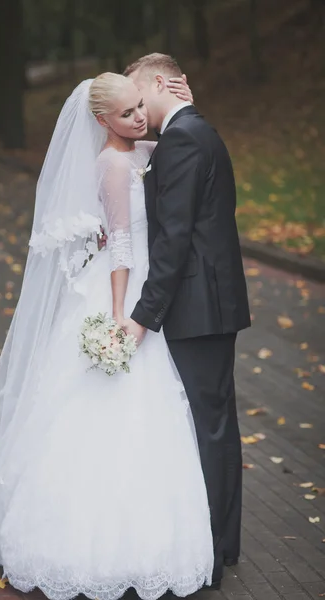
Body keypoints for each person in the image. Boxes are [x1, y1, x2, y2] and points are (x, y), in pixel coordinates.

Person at [0, 73, 214, 600]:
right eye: (126, 112)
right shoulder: (110, 163)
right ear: (101, 120)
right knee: (106, 406)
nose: (137, 117)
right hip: (121, 286)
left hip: (146, 282)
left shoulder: (142, 146)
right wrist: (117, 316)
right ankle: (78, 545)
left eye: (138, 108)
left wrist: (181, 103)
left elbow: (174, 136)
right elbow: (122, 244)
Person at [119, 54, 251, 588]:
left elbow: (173, 239)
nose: (135, 107)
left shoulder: (185, 138)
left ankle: (214, 554)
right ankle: (225, 544)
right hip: (208, 303)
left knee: (210, 428)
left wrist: (142, 316)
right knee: (216, 424)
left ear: (157, 83)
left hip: (198, 307)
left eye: (137, 95)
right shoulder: (188, 131)